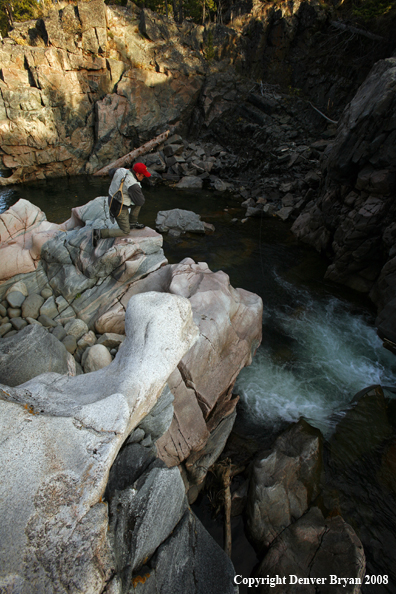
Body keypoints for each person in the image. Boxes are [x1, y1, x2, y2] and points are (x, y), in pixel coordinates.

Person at [92, 162, 151, 246]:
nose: (144, 177)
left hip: (112, 198)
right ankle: (98, 233)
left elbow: (110, 171)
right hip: (118, 207)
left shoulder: (120, 170)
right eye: (143, 175)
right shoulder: (133, 185)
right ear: (137, 174)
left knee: (137, 202)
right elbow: (141, 201)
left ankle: (132, 223)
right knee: (125, 231)